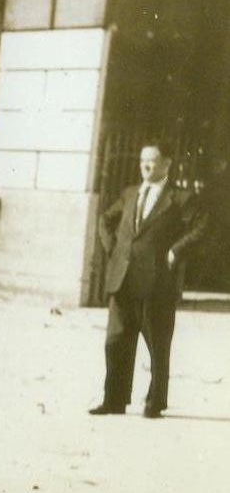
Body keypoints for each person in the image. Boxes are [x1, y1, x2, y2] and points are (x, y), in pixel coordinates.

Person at [91, 143, 208, 418]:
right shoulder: (130, 193)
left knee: (157, 344)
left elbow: (202, 227)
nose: (145, 166)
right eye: (142, 161)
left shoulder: (180, 198)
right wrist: (114, 250)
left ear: (166, 165)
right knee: (115, 341)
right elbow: (105, 220)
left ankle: (155, 402)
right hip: (123, 279)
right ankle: (114, 400)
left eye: (152, 162)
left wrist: (175, 251)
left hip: (157, 282)